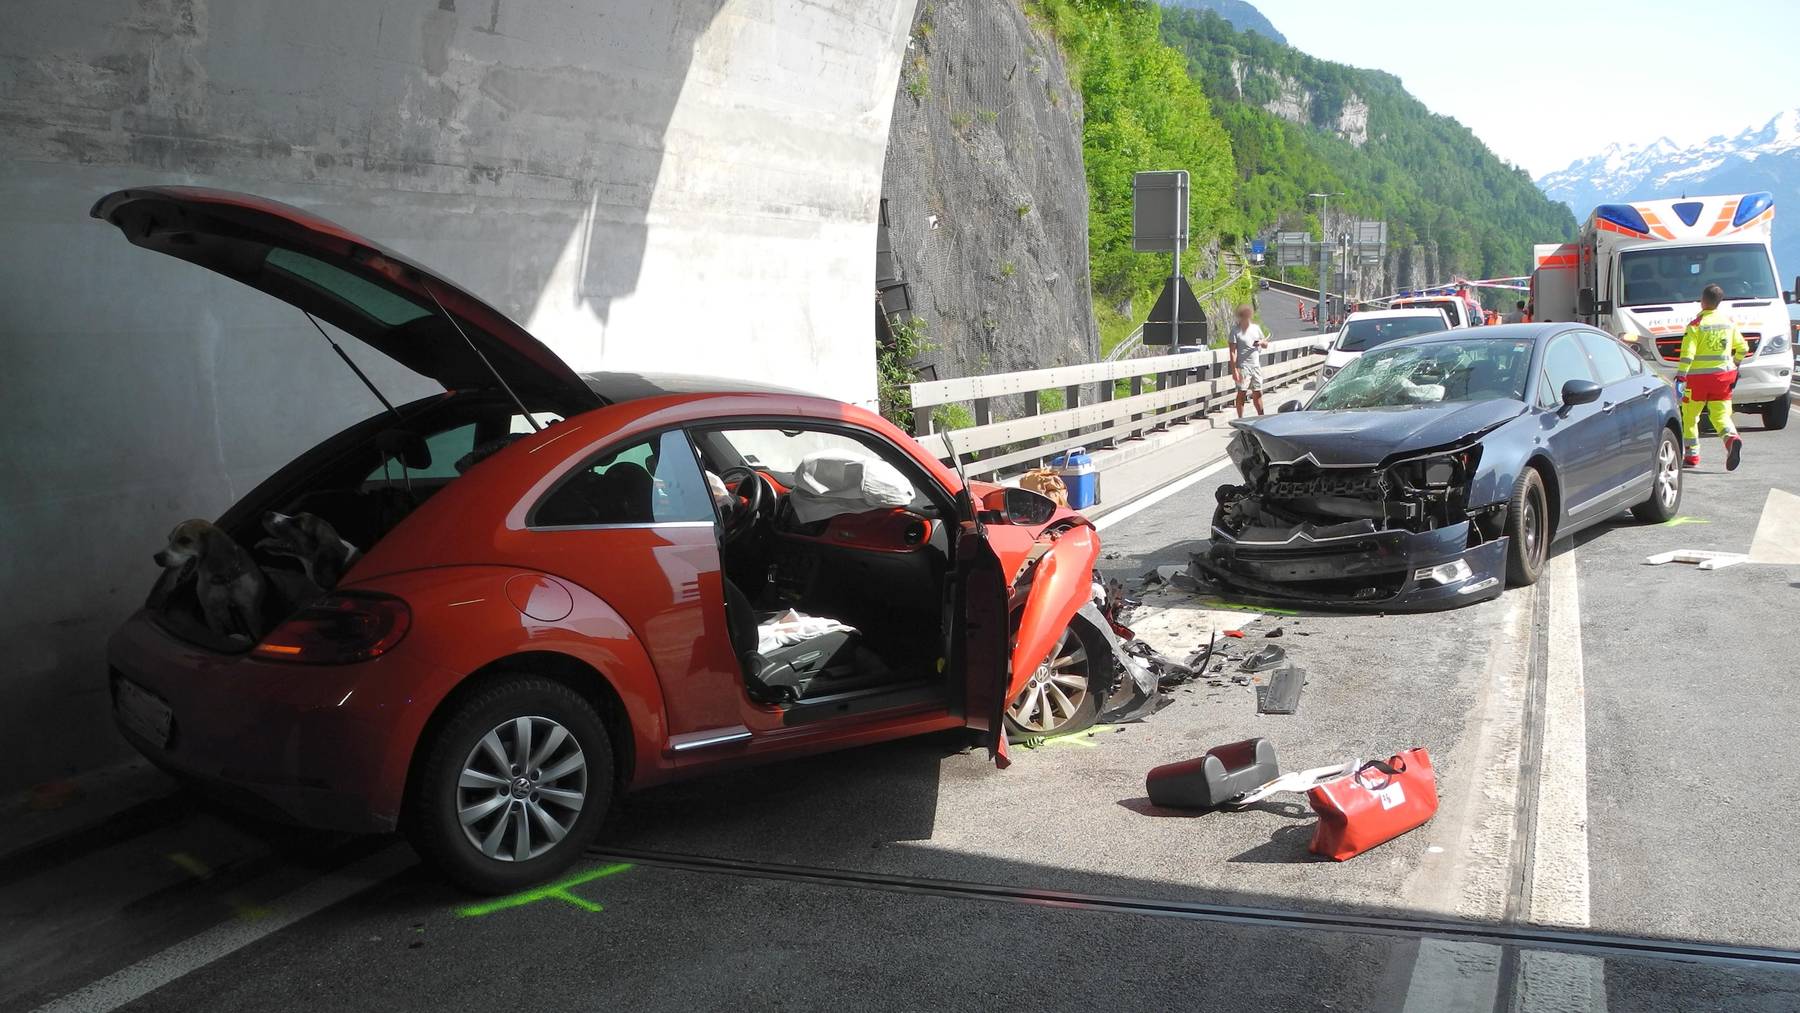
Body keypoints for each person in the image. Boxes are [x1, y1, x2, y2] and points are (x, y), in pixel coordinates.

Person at [1675, 283, 1749, 470]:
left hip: (1697, 380)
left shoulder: (1696, 325)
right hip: (1723, 377)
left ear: (1702, 302)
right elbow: (1743, 348)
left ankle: (1692, 456)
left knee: (1691, 417)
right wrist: (1736, 363)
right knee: (1721, 415)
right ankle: (1731, 439)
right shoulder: (1728, 323)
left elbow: (1688, 354)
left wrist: (1681, 376)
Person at [1229, 304, 1269, 418]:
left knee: (1258, 392)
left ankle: (1261, 417)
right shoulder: (1235, 331)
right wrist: (1234, 370)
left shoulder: (1256, 328)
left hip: (1256, 366)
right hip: (1243, 367)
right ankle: (1240, 418)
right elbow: (1232, 352)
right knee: (1242, 393)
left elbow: (1265, 344)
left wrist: (1260, 343)